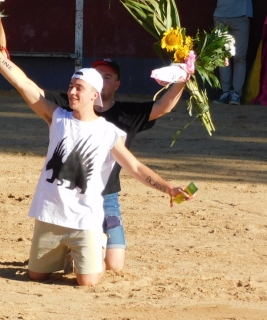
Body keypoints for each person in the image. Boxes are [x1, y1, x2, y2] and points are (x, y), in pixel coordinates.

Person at [0, 30, 190, 286]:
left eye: (79, 88)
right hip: (52, 212)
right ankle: (70, 250)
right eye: (70, 87)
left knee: (89, 281)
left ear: (94, 95)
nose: (72, 92)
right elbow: (22, 83)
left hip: (88, 213)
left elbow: (134, 166)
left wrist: (167, 188)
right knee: (36, 275)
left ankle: (96, 243)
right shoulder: (57, 116)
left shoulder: (110, 131)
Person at [41, 59, 187, 272]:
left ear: (117, 85)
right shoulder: (71, 102)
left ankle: (85, 249)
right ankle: (74, 247)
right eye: (97, 75)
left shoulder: (126, 114)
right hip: (71, 197)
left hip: (107, 197)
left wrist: (183, 77)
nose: (100, 80)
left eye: (107, 77)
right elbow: (32, 92)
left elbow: (163, 107)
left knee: (115, 266)